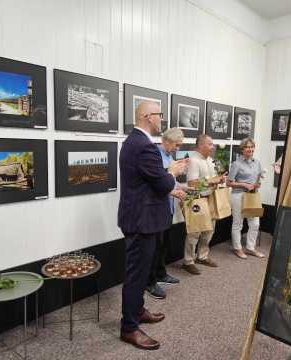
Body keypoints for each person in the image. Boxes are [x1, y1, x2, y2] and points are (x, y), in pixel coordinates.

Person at [118, 101, 187, 350]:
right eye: (160, 115)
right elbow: (159, 181)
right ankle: (129, 327)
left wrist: (167, 174)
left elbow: (150, 179)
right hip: (141, 221)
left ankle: (137, 311)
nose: (162, 120)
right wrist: (173, 173)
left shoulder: (136, 142)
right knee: (136, 276)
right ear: (148, 116)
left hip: (142, 218)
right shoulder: (143, 145)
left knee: (141, 271)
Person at [146, 127, 187, 299]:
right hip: (156, 209)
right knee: (153, 248)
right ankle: (149, 283)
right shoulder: (154, 156)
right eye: (177, 145)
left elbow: (170, 181)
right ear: (167, 141)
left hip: (168, 207)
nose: (178, 148)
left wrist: (183, 187)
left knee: (163, 245)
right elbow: (154, 184)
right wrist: (173, 191)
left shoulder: (169, 156)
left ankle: (161, 274)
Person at [182, 135, 224, 275]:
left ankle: (202, 256)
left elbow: (214, 179)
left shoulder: (211, 161)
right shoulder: (193, 161)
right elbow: (192, 183)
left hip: (210, 198)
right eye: (210, 144)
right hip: (197, 199)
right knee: (195, 231)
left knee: (209, 230)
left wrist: (220, 179)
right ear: (200, 145)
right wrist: (211, 180)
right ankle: (188, 261)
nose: (213, 147)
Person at [227, 138, 265, 259]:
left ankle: (250, 248)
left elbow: (258, 178)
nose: (250, 149)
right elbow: (229, 183)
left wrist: (257, 184)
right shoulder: (236, 164)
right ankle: (237, 248)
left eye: (252, 147)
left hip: (252, 195)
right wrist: (244, 184)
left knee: (255, 224)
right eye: (247, 147)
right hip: (238, 195)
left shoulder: (257, 162)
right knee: (238, 223)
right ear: (242, 149)